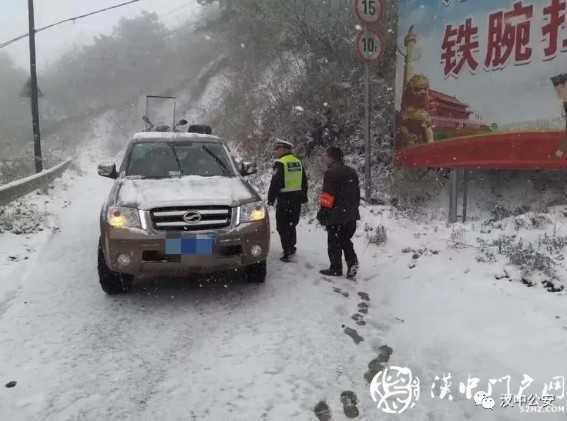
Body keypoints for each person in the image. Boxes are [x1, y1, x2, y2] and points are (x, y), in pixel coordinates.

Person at [317, 146, 360, 279]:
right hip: (351, 213)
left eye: (326, 156)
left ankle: (335, 268)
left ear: (331, 157)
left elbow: (327, 195)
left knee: (334, 241)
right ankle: (352, 261)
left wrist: (323, 212)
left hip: (336, 214)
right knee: (345, 239)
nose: (324, 159)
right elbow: (357, 194)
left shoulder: (331, 173)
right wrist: (353, 209)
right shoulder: (352, 171)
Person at [268, 138, 308, 262]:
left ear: (284, 149)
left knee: (282, 226)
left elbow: (275, 183)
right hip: (296, 199)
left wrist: (270, 200)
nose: (276, 151)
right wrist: (303, 197)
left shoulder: (280, 163)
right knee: (292, 224)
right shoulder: (298, 162)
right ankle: (292, 246)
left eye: (277, 148)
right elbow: (304, 182)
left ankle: (287, 251)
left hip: (284, 200)